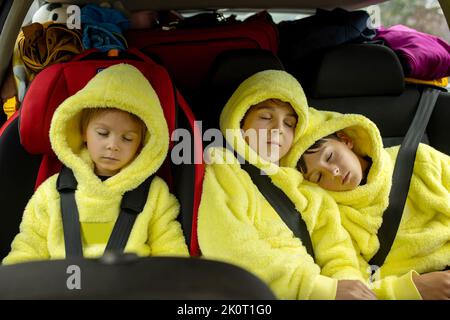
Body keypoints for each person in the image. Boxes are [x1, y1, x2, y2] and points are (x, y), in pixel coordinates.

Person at [198, 70, 376, 300]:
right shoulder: (223, 167)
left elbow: (338, 252)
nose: (278, 129)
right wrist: (318, 289)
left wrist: (349, 285)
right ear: (239, 124)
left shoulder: (309, 188)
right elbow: (229, 246)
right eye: (265, 117)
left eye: (289, 123)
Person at [2, 64, 189, 264]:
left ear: (142, 143)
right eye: (102, 133)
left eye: (127, 138)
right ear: (83, 132)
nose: (113, 146)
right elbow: (28, 248)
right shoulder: (51, 192)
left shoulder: (155, 194)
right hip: (61, 289)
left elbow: (171, 254)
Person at [282, 107, 450, 299]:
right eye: (319, 176)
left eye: (329, 156)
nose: (333, 172)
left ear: (346, 140)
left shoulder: (421, 159)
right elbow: (349, 279)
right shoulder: (333, 215)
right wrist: (413, 289)